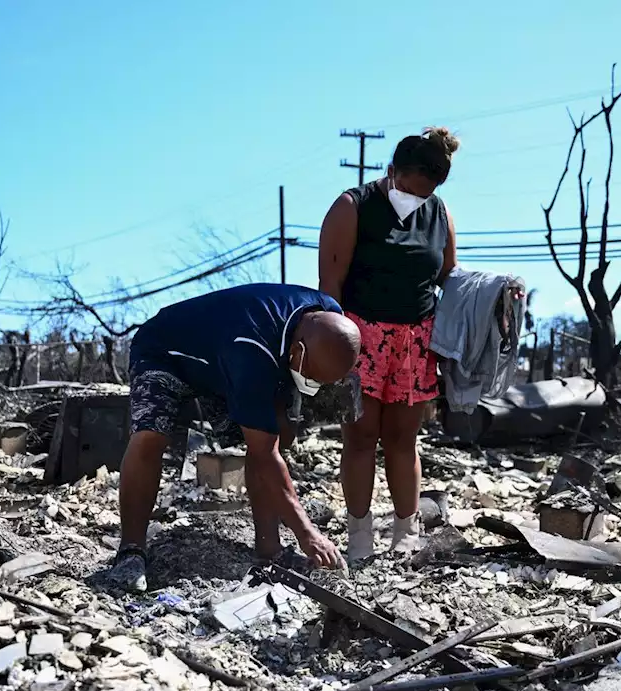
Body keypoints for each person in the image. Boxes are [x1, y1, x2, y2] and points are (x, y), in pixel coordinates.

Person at [108, 284, 361, 592]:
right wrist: (308, 533)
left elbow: (269, 442)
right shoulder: (253, 349)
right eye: (312, 378)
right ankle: (131, 551)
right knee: (151, 435)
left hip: (222, 356)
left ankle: (270, 550)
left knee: (276, 430)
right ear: (298, 351)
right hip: (165, 352)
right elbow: (265, 454)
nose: (313, 385)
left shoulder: (329, 314)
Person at [317, 127, 460, 561]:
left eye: (426, 194)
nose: (417, 199)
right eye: (411, 189)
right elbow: (329, 285)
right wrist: (332, 351)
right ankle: (359, 535)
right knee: (360, 436)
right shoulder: (352, 207)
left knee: (403, 438)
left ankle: (405, 531)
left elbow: (449, 280)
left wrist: (495, 293)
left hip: (416, 340)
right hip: (360, 336)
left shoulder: (439, 214)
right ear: (392, 171)